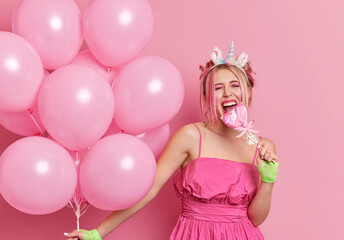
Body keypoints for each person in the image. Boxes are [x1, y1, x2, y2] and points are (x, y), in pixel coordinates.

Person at [65, 42, 280, 240]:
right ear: (207, 98)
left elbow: (256, 219)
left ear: (248, 94)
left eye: (234, 85)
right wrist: (97, 233)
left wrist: (268, 181)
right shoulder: (190, 136)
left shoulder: (262, 148)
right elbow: (149, 189)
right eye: (217, 88)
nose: (227, 93)